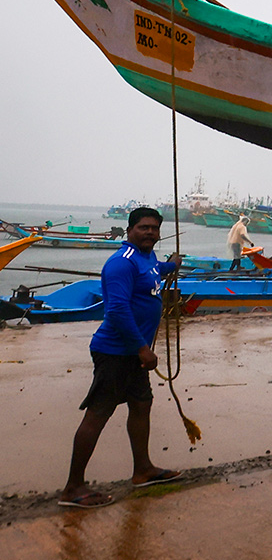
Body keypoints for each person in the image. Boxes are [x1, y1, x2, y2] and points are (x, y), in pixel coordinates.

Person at [59, 208, 182, 509]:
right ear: (129, 230)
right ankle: (73, 487)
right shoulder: (120, 264)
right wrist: (142, 348)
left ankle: (143, 470)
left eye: (154, 228)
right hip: (116, 351)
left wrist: (171, 265)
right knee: (99, 414)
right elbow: (116, 310)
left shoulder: (148, 258)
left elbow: (153, 272)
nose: (149, 233)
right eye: (143, 228)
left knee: (141, 405)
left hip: (133, 352)